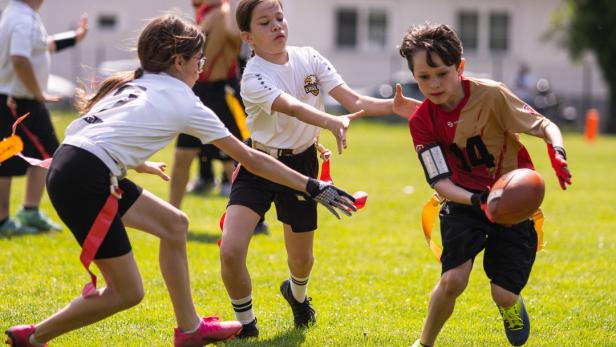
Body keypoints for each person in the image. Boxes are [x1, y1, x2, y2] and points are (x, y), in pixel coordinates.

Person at [4, 14, 357, 347]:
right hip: (85, 177)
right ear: (179, 62)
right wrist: (312, 186)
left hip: (76, 164)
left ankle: (189, 329)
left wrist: (138, 164)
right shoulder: (185, 100)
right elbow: (250, 158)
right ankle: (33, 336)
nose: (200, 71)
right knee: (127, 292)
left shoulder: (135, 82)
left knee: (175, 224)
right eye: (199, 62)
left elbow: (88, 132)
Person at [222, 0, 420, 339]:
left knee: (302, 261)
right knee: (231, 249)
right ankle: (247, 325)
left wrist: (394, 106)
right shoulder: (253, 76)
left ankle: (297, 296)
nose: (277, 27)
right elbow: (293, 107)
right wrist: (329, 120)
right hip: (260, 163)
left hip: (301, 162)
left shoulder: (309, 57)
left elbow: (354, 101)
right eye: (265, 22)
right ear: (248, 37)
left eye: (280, 18)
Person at [398, 24, 572, 347]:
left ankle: (512, 306)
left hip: (512, 204)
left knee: (502, 293)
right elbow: (441, 182)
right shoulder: (422, 121)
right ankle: (423, 343)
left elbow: (545, 125)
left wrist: (557, 152)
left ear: (459, 67)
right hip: (466, 202)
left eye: (442, 73)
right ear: (413, 75)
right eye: (424, 77)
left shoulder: (491, 95)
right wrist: (478, 200)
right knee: (452, 280)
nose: (433, 84)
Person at [0, 0, 88, 234]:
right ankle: (4, 222)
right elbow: (19, 58)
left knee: (46, 153)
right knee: (7, 159)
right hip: (16, 100)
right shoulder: (22, 18)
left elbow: (42, 46)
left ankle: (29, 211)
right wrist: (38, 93)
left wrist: (75, 37)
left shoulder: (21, 14)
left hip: (21, 98)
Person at [169, 0, 248, 206]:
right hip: (197, 94)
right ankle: (171, 216)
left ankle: (255, 221)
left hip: (220, 93)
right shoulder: (204, 12)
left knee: (234, 159)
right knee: (181, 157)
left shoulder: (225, 12)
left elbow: (234, 33)